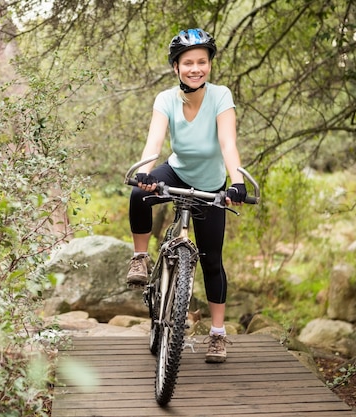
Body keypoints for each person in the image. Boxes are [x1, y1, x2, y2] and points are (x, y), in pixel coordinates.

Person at [126, 28, 247, 363]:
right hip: (176, 171)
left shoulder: (221, 96)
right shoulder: (165, 99)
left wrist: (236, 182)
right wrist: (146, 172)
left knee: (211, 260)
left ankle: (218, 336)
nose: (196, 68)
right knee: (139, 195)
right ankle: (140, 258)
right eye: (188, 63)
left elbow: (228, 144)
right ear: (176, 68)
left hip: (211, 183)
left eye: (202, 62)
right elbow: (154, 142)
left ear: (209, 65)